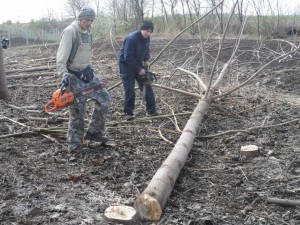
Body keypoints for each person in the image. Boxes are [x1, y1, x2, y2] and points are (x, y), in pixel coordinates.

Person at [56, 6, 113, 153]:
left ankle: (94, 132)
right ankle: (74, 145)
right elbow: (61, 59)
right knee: (77, 111)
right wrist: (64, 75)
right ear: (80, 18)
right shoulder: (70, 32)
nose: (89, 23)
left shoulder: (87, 32)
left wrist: (89, 68)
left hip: (86, 73)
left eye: (92, 20)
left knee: (104, 98)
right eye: (87, 20)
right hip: (73, 76)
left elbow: (84, 54)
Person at [119, 20, 159, 120]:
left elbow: (146, 50)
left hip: (138, 64)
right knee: (130, 89)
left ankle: (152, 110)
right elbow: (128, 57)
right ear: (142, 29)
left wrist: (146, 59)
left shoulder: (147, 38)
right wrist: (138, 69)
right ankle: (128, 113)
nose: (148, 33)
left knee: (147, 84)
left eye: (150, 32)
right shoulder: (132, 38)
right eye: (147, 31)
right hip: (126, 65)